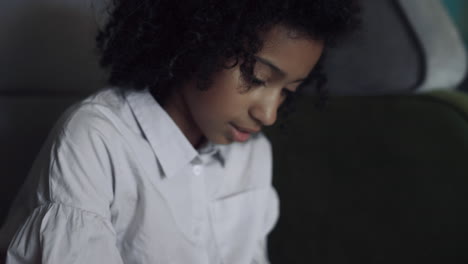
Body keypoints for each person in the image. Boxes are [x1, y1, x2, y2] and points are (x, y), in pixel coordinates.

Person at [0, 0, 360, 263]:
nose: (268, 113)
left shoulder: (253, 153)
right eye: (258, 78)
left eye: (287, 91)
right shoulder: (96, 139)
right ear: (198, 42)